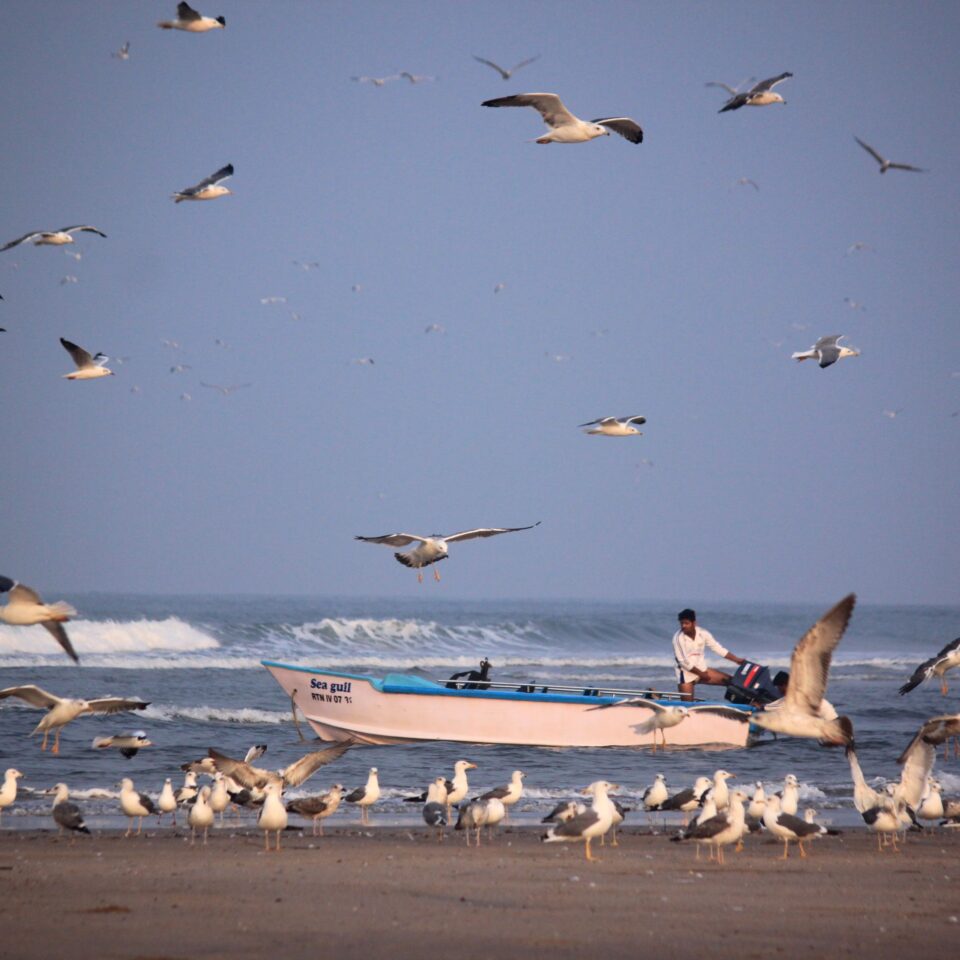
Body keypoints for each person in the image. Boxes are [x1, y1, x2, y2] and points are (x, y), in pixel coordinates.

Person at [672, 608, 744, 701]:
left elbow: (717, 648)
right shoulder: (678, 638)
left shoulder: (703, 633)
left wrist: (737, 660)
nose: (683, 626)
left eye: (686, 623)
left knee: (731, 682)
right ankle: (655, 697)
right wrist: (701, 674)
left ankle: (742, 706)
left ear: (694, 623)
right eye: (681, 623)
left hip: (702, 670)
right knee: (687, 704)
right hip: (686, 674)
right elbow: (682, 662)